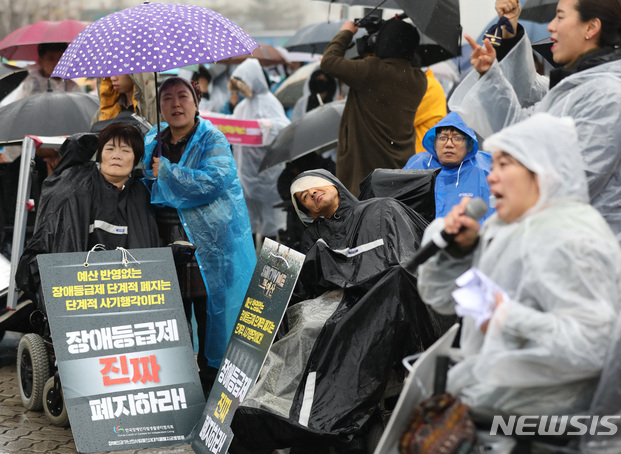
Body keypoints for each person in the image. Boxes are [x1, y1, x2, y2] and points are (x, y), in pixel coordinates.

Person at [417, 113, 621, 447]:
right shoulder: (508, 228)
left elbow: (592, 347)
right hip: (492, 408)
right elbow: (442, 298)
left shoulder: (572, 239)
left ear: (543, 171)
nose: (493, 178)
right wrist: (460, 253)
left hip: (543, 428)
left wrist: (507, 317)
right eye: (493, 165)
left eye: (504, 165)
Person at [231, 169, 453, 451]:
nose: (311, 194)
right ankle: (281, 409)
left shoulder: (381, 209)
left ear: (335, 184)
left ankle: (324, 415)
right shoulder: (313, 236)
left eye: (313, 186)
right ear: (304, 210)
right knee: (305, 330)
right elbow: (310, 283)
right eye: (303, 197)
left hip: (387, 298)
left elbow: (405, 262)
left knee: (365, 307)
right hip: (334, 303)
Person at [449, 0, 621, 285]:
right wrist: (490, 72)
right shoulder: (577, 88)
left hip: (598, 268)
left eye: (560, 17)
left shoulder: (609, 96)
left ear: (591, 27)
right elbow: (518, 126)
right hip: (565, 257)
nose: (550, 26)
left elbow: (575, 182)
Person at [141, 76, 256, 394]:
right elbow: (145, 185)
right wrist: (149, 176)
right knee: (172, 311)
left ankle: (209, 379)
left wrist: (168, 172)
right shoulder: (153, 139)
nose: (175, 104)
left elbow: (214, 180)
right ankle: (176, 383)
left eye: (182, 97)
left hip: (207, 243)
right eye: (167, 98)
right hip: (163, 238)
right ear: (160, 105)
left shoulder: (212, 138)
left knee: (209, 313)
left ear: (196, 102)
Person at [16, 123, 162, 295]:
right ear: (100, 156)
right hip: (79, 295)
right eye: (109, 149)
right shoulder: (74, 186)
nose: (117, 156)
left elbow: (151, 252)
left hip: (128, 295)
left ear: (136, 159)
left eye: (125, 150)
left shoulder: (141, 195)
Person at [321, 18, 427, 196]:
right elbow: (400, 66)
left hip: (366, 174)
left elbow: (329, 61)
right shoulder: (418, 79)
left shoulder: (371, 71)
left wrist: (346, 32)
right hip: (400, 170)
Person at [228, 58, 291, 245]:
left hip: (267, 173)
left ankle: (271, 265)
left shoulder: (270, 103)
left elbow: (286, 129)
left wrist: (270, 127)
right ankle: (253, 266)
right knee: (248, 222)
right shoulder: (241, 106)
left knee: (272, 223)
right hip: (246, 172)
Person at [404, 111, 494, 223]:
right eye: (443, 138)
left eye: (457, 138)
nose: (449, 144)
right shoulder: (419, 164)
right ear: (434, 142)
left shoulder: (482, 169)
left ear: (469, 145)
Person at [1, 43, 81, 107]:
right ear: (40, 61)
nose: (57, 63)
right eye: (51, 58)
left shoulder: (72, 87)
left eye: (61, 58)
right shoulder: (30, 85)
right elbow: (17, 108)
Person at [91, 73, 157, 126]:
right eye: (110, 72)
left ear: (135, 75)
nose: (112, 78)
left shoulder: (158, 108)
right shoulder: (104, 112)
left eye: (119, 71)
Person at [413, 68, 447, 154]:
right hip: (419, 154)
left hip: (421, 155)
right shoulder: (425, 84)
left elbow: (400, 120)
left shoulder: (429, 86)